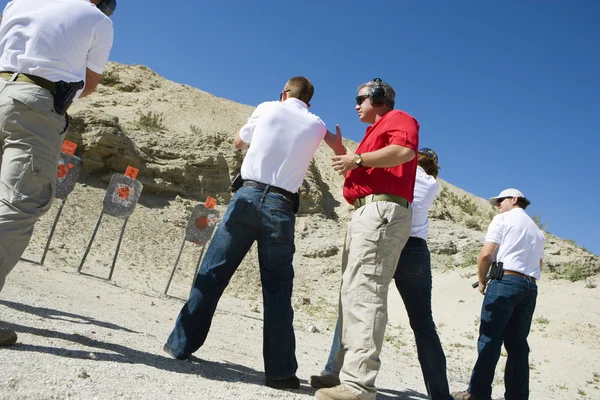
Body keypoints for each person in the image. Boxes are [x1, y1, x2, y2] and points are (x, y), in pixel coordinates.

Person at [164, 76, 343, 390]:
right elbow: (333, 142)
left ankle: (180, 345)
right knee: (277, 291)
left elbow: (238, 142)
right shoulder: (316, 124)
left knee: (214, 271)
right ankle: (281, 373)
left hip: (247, 197)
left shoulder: (268, 108)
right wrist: (336, 142)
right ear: (309, 102)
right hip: (282, 207)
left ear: (284, 92)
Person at [0, 0, 116, 347]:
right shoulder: (98, 20)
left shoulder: (22, 1)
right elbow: (89, 83)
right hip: (35, 104)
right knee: (19, 205)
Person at [311, 148, 452, 400]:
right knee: (423, 324)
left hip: (387, 237)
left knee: (355, 305)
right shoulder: (432, 183)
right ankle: (441, 394)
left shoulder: (396, 170)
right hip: (415, 248)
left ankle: (334, 372)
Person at [313, 78, 419, 400]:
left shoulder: (398, 118)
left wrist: (357, 159)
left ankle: (358, 387)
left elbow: (403, 151)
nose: (356, 105)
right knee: (353, 294)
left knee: (366, 293)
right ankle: (345, 377)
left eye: (360, 98)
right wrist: (344, 153)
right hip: (366, 212)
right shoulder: (372, 135)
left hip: (380, 211)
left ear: (378, 97)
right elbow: (358, 175)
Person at [452, 189, 545, 400]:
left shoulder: (502, 219)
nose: (497, 205)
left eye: (500, 201)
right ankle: (517, 396)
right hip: (529, 287)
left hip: (505, 282)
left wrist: (482, 280)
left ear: (514, 200)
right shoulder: (538, 231)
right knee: (518, 344)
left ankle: (477, 393)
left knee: (490, 339)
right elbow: (539, 264)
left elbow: (486, 254)